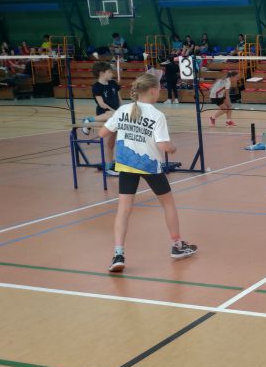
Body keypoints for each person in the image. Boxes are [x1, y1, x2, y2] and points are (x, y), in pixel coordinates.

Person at [98, 72, 198, 273]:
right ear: (153, 91)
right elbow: (163, 146)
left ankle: (118, 254)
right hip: (149, 166)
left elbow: (102, 133)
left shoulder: (123, 110)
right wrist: (172, 148)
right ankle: (177, 246)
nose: (160, 91)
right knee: (168, 204)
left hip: (126, 164)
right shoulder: (156, 115)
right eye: (159, 88)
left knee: (123, 210)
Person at [81, 61, 121, 176]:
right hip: (104, 113)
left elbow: (119, 99)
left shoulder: (113, 84)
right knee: (110, 114)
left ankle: (109, 166)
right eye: (109, 72)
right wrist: (114, 112)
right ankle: (89, 120)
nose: (112, 74)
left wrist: (120, 110)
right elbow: (101, 103)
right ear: (102, 73)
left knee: (111, 143)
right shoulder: (96, 87)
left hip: (115, 115)